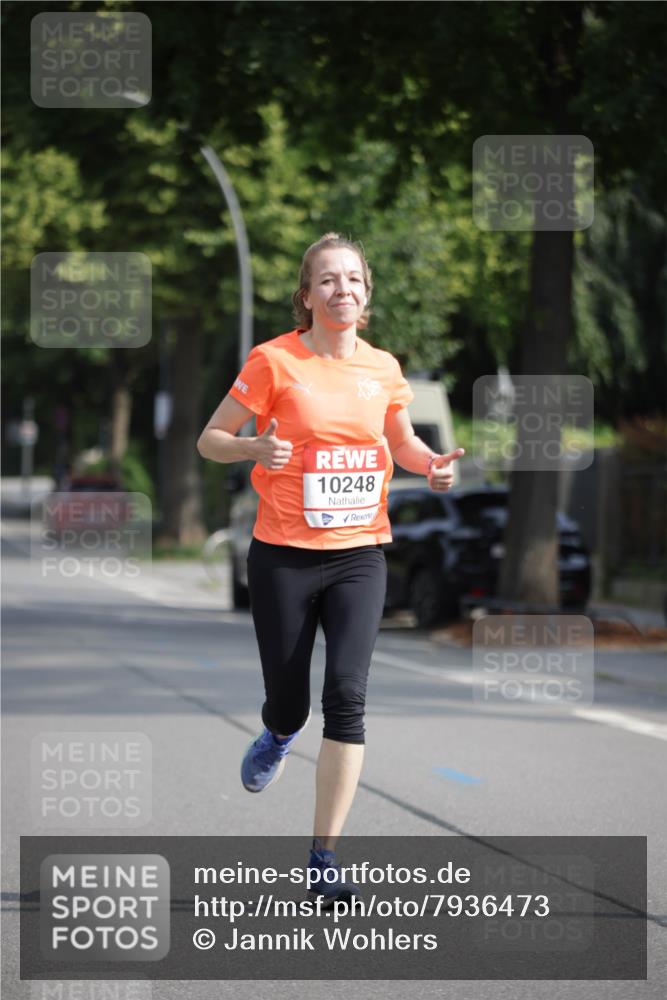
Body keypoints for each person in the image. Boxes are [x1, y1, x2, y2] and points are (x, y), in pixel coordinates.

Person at [197, 233, 464, 906]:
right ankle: (279, 731)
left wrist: (430, 463)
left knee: (346, 695)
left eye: (352, 280)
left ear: (365, 294)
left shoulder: (383, 368)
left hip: (358, 556)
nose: (340, 289)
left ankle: (323, 857)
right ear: (306, 295)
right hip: (283, 555)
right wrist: (254, 445)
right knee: (291, 699)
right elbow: (210, 439)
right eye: (327, 280)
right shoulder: (273, 361)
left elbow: (399, 440)